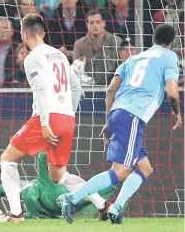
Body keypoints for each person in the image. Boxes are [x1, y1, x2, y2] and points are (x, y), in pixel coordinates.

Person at [57, 23, 182, 224]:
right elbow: (172, 91)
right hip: (133, 115)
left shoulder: (134, 58)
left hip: (118, 112)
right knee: (120, 171)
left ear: (152, 40)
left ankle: (116, 208)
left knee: (144, 168)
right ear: (172, 43)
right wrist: (178, 113)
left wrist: (109, 121)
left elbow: (110, 90)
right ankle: (71, 198)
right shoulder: (170, 57)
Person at [0, 13, 108, 222]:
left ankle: (15, 214)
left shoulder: (32, 57)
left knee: (7, 159)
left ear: (24, 34)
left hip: (47, 117)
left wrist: (46, 122)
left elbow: (40, 88)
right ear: (43, 32)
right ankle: (102, 204)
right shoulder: (59, 55)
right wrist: (68, 112)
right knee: (59, 176)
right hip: (67, 118)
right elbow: (76, 88)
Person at [0, 152, 118, 220]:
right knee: (81, 190)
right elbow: (4, 189)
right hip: (62, 199)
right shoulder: (32, 186)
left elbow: (4, 188)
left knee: (46, 168)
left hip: (49, 202)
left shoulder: (27, 186)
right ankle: (106, 201)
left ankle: (5, 217)